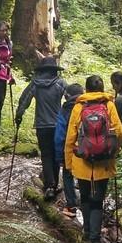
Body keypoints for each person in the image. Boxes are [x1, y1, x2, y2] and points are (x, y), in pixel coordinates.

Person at [64, 75, 122, 243]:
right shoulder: (109, 105)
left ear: (86, 89)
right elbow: (120, 132)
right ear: (102, 88)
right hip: (104, 162)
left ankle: (87, 233)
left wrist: (68, 163)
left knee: (84, 197)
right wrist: (113, 149)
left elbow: (70, 137)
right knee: (98, 200)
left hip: (82, 161)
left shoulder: (78, 107)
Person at [16, 56, 67, 200]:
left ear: (42, 70)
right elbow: (72, 96)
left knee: (45, 155)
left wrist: (19, 115)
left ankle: (49, 186)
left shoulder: (35, 84)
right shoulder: (60, 83)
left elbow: (24, 100)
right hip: (57, 125)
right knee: (56, 155)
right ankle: (54, 184)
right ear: (54, 70)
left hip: (41, 125)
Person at [54, 83, 84, 218]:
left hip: (71, 150)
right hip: (89, 150)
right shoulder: (89, 106)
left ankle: (71, 206)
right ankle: (88, 208)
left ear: (68, 96)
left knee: (67, 175)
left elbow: (60, 135)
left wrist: (60, 156)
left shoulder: (66, 109)